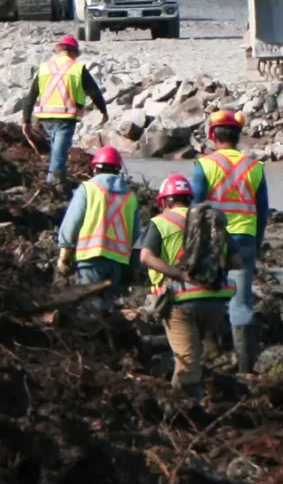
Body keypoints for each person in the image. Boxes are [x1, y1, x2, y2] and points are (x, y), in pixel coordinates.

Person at [138, 173, 234, 399]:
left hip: (179, 303)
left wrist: (179, 274)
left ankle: (184, 410)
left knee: (187, 360)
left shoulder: (161, 222)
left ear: (164, 201)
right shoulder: (211, 221)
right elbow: (237, 261)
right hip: (215, 302)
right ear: (190, 199)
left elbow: (146, 257)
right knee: (192, 356)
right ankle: (183, 401)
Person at [190, 110, 270, 371]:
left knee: (206, 293)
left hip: (213, 240)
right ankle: (246, 367)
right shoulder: (255, 167)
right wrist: (256, 245)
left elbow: (195, 208)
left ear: (213, 135)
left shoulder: (204, 165)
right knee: (241, 302)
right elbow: (262, 211)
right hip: (244, 238)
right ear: (238, 136)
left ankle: (211, 352)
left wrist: (190, 245)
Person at [53, 143, 140, 296]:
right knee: (107, 307)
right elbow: (136, 236)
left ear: (95, 169)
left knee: (90, 307)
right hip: (117, 262)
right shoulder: (130, 197)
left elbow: (72, 222)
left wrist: (65, 254)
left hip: (89, 258)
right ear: (118, 170)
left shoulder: (88, 189)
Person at [24, 34, 108, 188]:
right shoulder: (77, 68)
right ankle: (53, 186)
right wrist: (103, 111)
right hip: (65, 118)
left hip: (45, 118)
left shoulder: (45, 68)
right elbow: (94, 91)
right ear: (74, 52)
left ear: (59, 50)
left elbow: (31, 95)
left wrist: (26, 120)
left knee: (57, 151)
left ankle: (56, 182)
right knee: (59, 154)